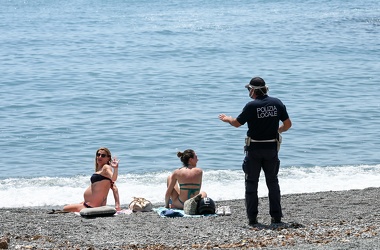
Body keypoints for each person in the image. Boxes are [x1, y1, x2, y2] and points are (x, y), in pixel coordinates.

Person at [219, 76, 292, 226]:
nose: (248, 92)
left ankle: (252, 218)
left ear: (253, 90)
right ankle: (276, 217)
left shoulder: (251, 106)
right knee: (273, 183)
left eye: (248, 89)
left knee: (251, 183)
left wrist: (227, 118)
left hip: (254, 149)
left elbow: (237, 123)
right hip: (271, 148)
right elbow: (288, 124)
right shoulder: (277, 103)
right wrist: (278, 130)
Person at [63, 147, 121, 212]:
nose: (100, 157)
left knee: (65, 208)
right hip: (87, 204)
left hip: (92, 206)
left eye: (103, 155)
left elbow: (114, 180)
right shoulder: (100, 170)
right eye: (98, 155)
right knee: (68, 207)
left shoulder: (106, 167)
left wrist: (115, 169)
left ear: (108, 158)